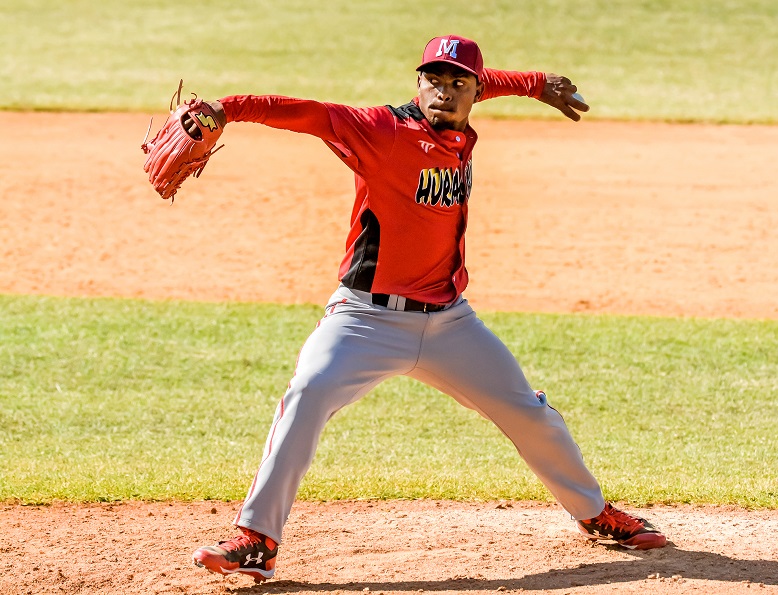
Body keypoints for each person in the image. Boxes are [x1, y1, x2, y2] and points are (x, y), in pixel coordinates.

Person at [192, 35, 666, 583]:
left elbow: (493, 82)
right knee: (307, 395)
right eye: (432, 79)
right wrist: (228, 108)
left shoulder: (461, 114)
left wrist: (537, 84)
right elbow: (309, 113)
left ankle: (595, 514)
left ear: (474, 91)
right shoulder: (380, 129)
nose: (443, 90)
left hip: (449, 322)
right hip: (365, 319)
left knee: (529, 413)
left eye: (457, 82)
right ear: (417, 84)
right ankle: (257, 538)